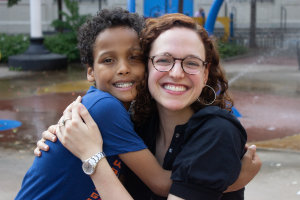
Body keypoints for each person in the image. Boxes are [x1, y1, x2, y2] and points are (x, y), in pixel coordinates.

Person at [36, 13, 262, 200]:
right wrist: (60, 142)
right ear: (149, 66)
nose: (176, 73)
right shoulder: (139, 125)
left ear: (205, 74)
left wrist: (91, 157)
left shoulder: (217, 132)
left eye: (191, 63)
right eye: (164, 60)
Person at [15, 8, 173, 199]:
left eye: (134, 57)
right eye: (108, 60)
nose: (123, 68)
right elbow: (162, 185)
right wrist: (214, 176)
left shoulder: (125, 113)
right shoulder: (104, 108)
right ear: (90, 72)